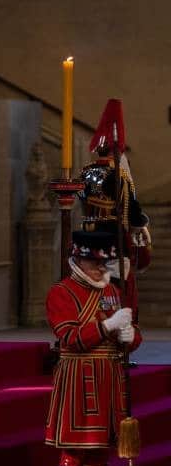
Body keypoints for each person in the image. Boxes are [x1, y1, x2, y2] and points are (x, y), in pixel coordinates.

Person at [45, 230, 141, 466]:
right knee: (74, 454)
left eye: (104, 264)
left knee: (99, 456)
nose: (102, 269)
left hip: (109, 378)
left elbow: (132, 338)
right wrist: (107, 326)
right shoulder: (60, 292)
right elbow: (70, 338)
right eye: (95, 264)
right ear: (78, 261)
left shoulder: (112, 291)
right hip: (79, 379)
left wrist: (129, 336)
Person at [77, 99, 151, 316]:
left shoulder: (86, 171)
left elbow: (82, 197)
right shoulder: (119, 174)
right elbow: (131, 210)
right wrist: (141, 225)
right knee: (116, 287)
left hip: (87, 234)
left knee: (88, 285)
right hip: (112, 236)